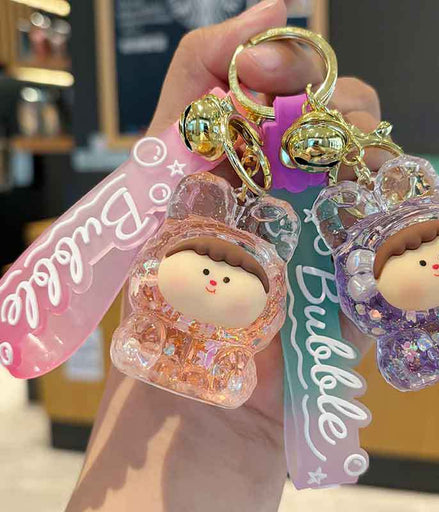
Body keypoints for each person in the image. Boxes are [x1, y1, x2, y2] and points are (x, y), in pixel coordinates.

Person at [65, 1, 384, 510]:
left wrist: (237, 431)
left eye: (234, 270)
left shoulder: (267, 293)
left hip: (239, 389)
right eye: (210, 262)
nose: (214, 279)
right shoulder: (170, 237)